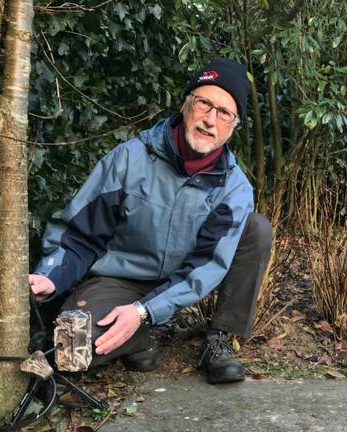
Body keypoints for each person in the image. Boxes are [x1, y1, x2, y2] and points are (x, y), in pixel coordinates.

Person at [28, 58, 272, 383]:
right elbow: (81, 233)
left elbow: (205, 265)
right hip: (118, 281)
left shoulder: (234, 188)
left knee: (257, 228)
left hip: (183, 282)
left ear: (234, 125)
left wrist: (145, 311)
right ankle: (141, 338)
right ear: (187, 104)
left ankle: (219, 338)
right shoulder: (130, 158)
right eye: (204, 103)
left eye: (224, 113)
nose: (210, 120)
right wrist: (52, 275)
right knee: (68, 349)